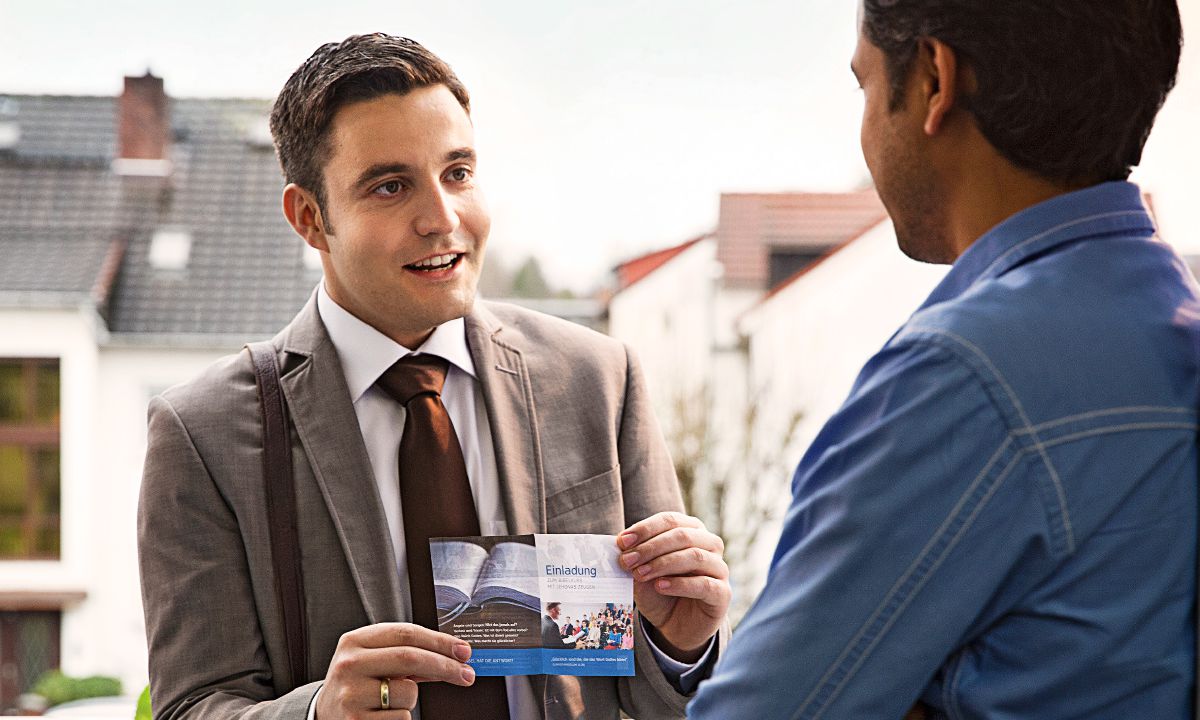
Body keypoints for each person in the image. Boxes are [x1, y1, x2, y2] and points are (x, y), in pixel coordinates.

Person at [138, 33, 730, 720]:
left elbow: (656, 692)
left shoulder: (598, 378)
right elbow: (192, 706)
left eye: (458, 173)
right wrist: (314, 714)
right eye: (391, 187)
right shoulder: (202, 433)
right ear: (310, 218)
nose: (442, 219)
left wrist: (681, 648)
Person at [690, 1, 1194, 718]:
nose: (863, 128)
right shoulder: (1171, 326)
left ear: (934, 79)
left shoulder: (964, 378)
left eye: (863, 85)